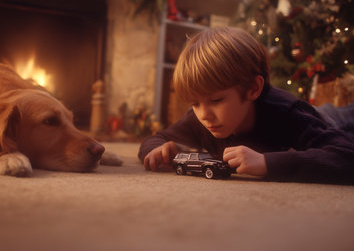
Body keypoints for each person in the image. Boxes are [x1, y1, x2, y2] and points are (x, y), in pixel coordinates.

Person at [138, 27, 354, 184]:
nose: (204, 115)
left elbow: (346, 156)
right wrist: (158, 150)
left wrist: (266, 163)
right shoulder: (200, 118)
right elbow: (156, 138)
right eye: (195, 103)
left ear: (252, 88)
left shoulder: (286, 112)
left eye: (216, 101)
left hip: (330, 121)